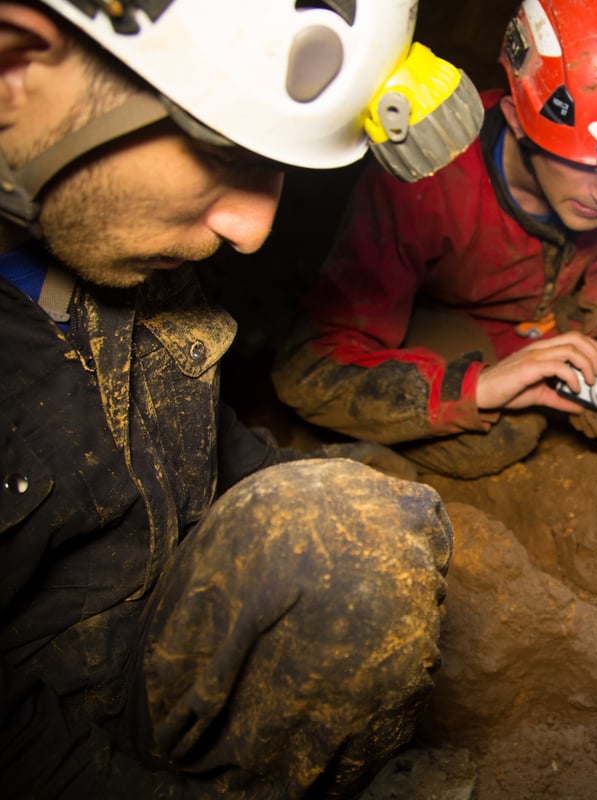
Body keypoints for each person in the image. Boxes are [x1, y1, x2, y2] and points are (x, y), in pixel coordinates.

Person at [0, 1, 485, 796]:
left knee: (362, 531)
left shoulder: (113, 245)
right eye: (224, 151)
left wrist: (363, 496)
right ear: (15, 66)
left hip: (150, 657)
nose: (256, 228)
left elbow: (201, 447)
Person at [271, 0, 597, 479]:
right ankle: (350, 459)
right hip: (444, 324)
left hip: (544, 318)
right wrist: (477, 388)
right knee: (502, 434)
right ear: (516, 120)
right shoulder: (427, 181)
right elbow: (308, 369)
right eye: (588, 167)